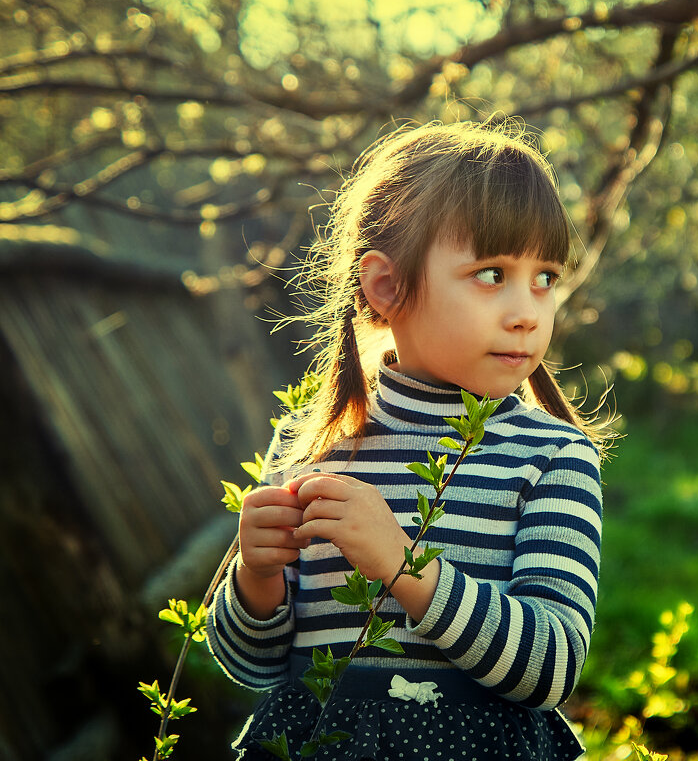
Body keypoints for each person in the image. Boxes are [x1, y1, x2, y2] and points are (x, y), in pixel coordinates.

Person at [206, 119, 609, 761]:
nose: (527, 311)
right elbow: (249, 668)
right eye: (490, 274)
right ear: (388, 286)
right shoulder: (312, 448)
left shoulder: (552, 458)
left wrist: (403, 566)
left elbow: (551, 668)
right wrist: (257, 577)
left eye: (545, 278)